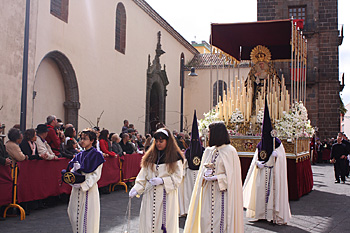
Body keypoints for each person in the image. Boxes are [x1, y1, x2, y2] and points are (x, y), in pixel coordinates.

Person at [184, 122, 244, 233]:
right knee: (205, 219)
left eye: (210, 132)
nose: (208, 135)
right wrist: (205, 175)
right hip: (207, 193)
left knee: (220, 222)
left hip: (221, 194)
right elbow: (202, 170)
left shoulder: (230, 151)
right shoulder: (208, 151)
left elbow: (232, 178)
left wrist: (218, 178)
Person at [243, 99, 291, 225]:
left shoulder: (277, 144)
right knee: (259, 193)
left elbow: (282, 159)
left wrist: (278, 156)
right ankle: (260, 214)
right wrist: (257, 164)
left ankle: (272, 216)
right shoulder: (260, 145)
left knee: (272, 195)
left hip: (272, 172)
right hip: (262, 172)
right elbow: (255, 158)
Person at [129, 128, 184, 233]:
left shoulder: (175, 157)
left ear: (167, 141)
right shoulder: (150, 156)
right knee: (148, 222)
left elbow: (178, 177)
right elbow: (143, 175)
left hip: (165, 196)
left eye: (161, 141)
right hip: (150, 196)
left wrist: (163, 180)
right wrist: (137, 188)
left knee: (164, 223)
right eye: (157, 141)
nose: (158, 144)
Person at [67, 130, 105, 233]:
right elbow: (72, 169)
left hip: (88, 189)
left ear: (92, 140)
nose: (82, 141)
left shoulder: (97, 155)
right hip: (76, 189)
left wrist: (84, 184)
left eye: (85, 139)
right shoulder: (79, 155)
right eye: (81, 139)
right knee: (74, 214)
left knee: (88, 218)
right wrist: (73, 177)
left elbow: (96, 175)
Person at [180, 111, 205, 216]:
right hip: (190, 173)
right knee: (189, 192)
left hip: (198, 173)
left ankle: (198, 209)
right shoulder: (190, 151)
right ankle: (189, 209)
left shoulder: (200, 150)